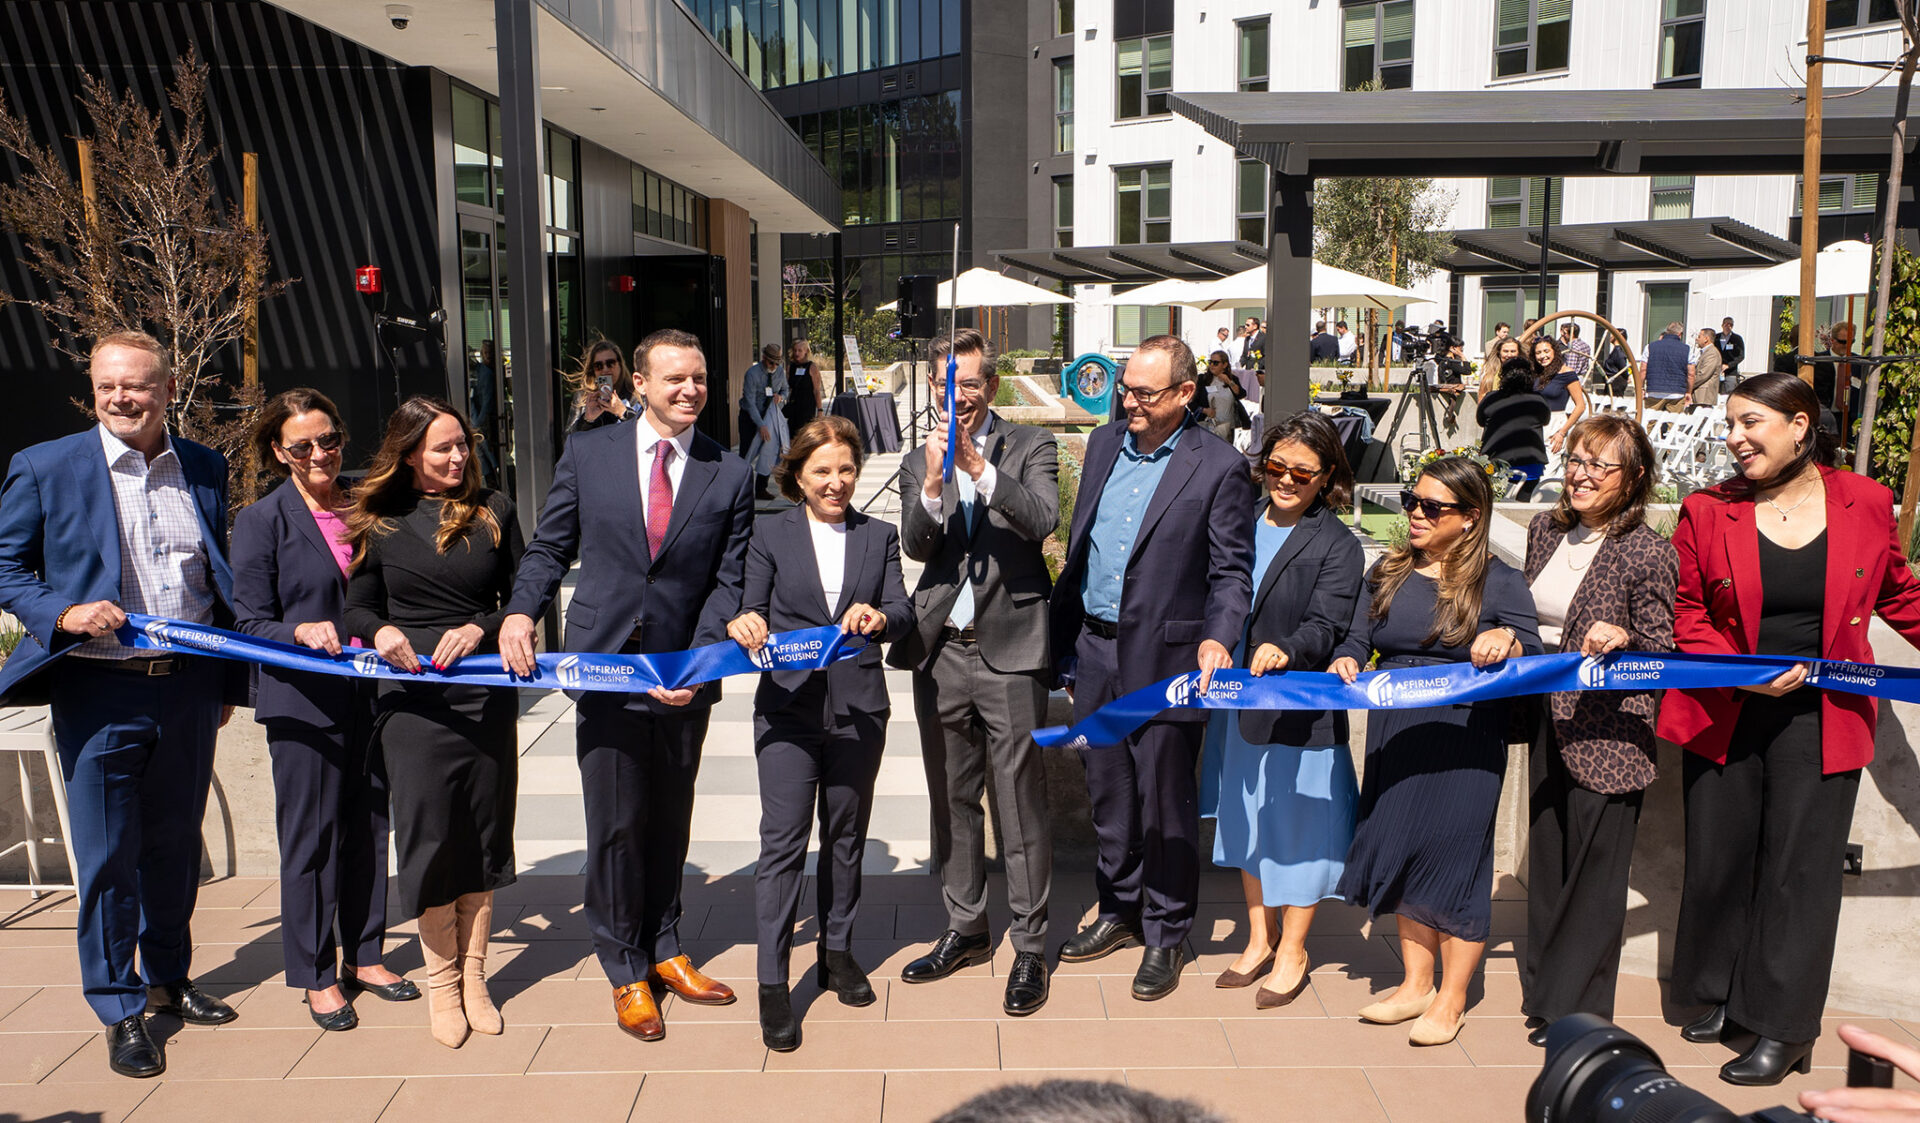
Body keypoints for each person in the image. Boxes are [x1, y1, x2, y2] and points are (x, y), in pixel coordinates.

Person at [1658, 373, 1920, 1086]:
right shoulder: (1707, 509)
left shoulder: (1867, 501)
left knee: (1799, 874)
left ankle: (1784, 1027)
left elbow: (1898, 592)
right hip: (1727, 707)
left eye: (1750, 423)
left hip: (1825, 714)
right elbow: (1686, 611)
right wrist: (1736, 672)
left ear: (1800, 426)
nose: (1733, 438)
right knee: (1720, 860)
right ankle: (1725, 993)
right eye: (1729, 425)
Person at [0, 331, 248, 1078]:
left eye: (135, 385)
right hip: (98, 688)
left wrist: (223, 681)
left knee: (174, 846)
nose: (119, 398)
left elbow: (212, 573)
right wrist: (63, 612)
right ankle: (118, 1006)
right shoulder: (45, 466)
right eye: (106, 385)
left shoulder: (203, 465)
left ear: (167, 389)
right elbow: (6, 567)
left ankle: (169, 977)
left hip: (188, 686)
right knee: (108, 857)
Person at [500, 328, 754, 1043]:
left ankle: (666, 946)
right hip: (606, 670)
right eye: (675, 378)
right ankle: (624, 968)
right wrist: (521, 611)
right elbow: (550, 545)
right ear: (638, 384)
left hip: (682, 674)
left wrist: (696, 664)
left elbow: (728, 578)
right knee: (615, 824)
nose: (690, 389)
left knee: (670, 817)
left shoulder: (729, 470)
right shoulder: (589, 453)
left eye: (699, 377)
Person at [1048, 334, 1256, 1001]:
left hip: (1169, 662)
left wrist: (1220, 638)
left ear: (1185, 393)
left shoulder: (1219, 467)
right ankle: (1119, 909)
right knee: (1107, 791)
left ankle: (1167, 931)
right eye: (1125, 389)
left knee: (1166, 798)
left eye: (1143, 392)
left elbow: (1231, 571)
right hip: (1094, 651)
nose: (1129, 401)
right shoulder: (1104, 443)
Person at [1328, 455, 1542, 1047]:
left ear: (1470, 517)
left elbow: (1533, 649)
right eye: (1411, 501)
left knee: (1456, 861)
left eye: (1431, 507)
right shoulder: (1389, 568)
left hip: (1464, 735)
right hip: (1397, 731)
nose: (1415, 514)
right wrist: (1347, 656)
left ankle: (1452, 999)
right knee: (1402, 849)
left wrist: (1507, 637)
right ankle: (1416, 984)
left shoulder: (1500, 580)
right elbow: (1358, 636)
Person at [232, 389, 417, 1033]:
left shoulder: (369, 504)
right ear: (278, 452)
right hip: (304, 702)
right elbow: (247, 619)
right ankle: (315, 972)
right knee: (311, 839)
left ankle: (366, 955)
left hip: (375, 695)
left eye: (329, 439)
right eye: (302, 445)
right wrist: (298, 632)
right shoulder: (263, 520)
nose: (320, 454)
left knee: (369, 826)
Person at [343, 395, 524, 1050]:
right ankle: (442, 983)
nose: (457, 456)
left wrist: (483, 626)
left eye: (462, 444)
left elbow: (523, 598)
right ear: (409, 453)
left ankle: (476, 978)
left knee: (482, 835)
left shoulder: (495, 509)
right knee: (429, 839)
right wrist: (380, 631)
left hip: (484, 697)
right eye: (442, 447)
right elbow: (356, 607)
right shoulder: (378, 519)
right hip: (412, 704)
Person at [889, 330, 1060, 1017]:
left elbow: (1041, 519)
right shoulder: (917, 457)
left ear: (989, 385)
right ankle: (965, 927)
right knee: (951, 798)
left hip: (1012, 648)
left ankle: (1030, 943)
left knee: (1018, 800)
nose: (956, 395)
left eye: (967, 383)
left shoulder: (1030, 445)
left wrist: (980, 469)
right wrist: (935, 482)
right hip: (941, 650)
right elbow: (916, 544)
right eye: (944, 384)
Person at [728, 415, 911, 1052]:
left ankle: (836, 952)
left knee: (845, 837)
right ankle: (772, 983)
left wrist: (880, 617)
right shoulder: (770, 534)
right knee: (782, 845)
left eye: (846, 469)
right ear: (798, 477)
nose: (836, 482)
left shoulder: (878, 535)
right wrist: (744, 622)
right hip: (788, 709)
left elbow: (903, 609)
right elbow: (748, 606)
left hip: (859, 710)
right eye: (822, 471)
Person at [1517, 415, 1676, 1048]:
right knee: (1550, 858)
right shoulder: (1544, 530)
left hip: (1610, 733)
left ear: (1632, 479)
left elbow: (1663, 649)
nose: (1580, 475)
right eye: (1575, 461)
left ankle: (1578, 1011)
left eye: (1598, 466)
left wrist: (1624, 636)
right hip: (1546, 717)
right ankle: (1545, 992)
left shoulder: (1648, 551)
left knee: (1595, 875)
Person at [1201, 412, 1363, 1010]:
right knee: (1245, 822)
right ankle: (1258, 938)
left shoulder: (1338, 544)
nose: (1286, 480)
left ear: (1327, 478)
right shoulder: (1239, 520)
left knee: (1299, 831)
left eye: (1303, 472)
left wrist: (1288, 649)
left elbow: (1328, 623)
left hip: (1297, 709)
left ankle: (1293, 949)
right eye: (1276, 466)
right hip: (1236, 704)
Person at [1477, 358, 1551, 499]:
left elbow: (1481, 421)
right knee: (1523, 504)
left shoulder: (1491, 398)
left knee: (1493, 503)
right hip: (1530, 464)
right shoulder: (1538, 400)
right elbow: (1545, 420)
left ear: (1503, 376)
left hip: (1495, 463)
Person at [741, 343, 790, 499]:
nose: (774, 366)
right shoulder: (752, 374)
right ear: (764, 358)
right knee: (747, 452)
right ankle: (741, 489)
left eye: (777, 363)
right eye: (771, 362)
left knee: (770, 449)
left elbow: (785, 390)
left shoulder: (780, 372)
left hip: (770, 414)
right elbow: (749, 402)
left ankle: (761, 488)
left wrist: (781, 397)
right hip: (750, 416)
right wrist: (761, 425)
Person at [1529, 334, 1589, 452]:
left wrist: (1562, 432)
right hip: (1534, 425)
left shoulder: (1567, 374)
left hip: (1554, 425)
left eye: (1546, 351)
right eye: (1538, 353)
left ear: (1554, 352)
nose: (1543, 356)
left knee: (1550, 462)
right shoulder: (1535, 374)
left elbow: (1580, 406)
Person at [568, 338, 639, 433]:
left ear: (620, 365)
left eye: (610, 363)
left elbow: (648, 434)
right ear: (593, 370)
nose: (605, 370)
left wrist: (623, 413)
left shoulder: (636, 394)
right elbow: (568, 437)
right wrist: (587, 420)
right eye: (598, 366)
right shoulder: (584, 397)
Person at [469, 339, 501, 486]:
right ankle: (491, 479)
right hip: (478, 422)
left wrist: (478, 422)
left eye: (490, 353)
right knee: (481, 452)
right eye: (485, 352)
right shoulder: (474, 373)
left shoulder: (486, 373)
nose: (487, 355)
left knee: (486, 451)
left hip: (486, 421)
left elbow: (487, 400)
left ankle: (496, 478)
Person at [1642, 322, 1691, 411]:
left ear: (1667, 331)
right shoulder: (1687, 349)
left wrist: (1641, 387)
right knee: (1673, 419)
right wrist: (1688, 392)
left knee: (1651, 418)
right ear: (1680, 334)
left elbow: (1643, 370)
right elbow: (1691, 374)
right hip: (1677, 393)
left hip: (1654, 391)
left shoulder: (1649, 347)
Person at [783, 337, 824, 435]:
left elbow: (816, 390)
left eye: (800, 350)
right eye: (795, 350)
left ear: (806, 351)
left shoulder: (812, 367)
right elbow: (788, 387)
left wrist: (820, 410)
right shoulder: (790, 367)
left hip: (807, 406)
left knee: (805, 433)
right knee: (792, 434)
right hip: (794, 405)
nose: (797, 353)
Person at [1477, 336, 1525, 401]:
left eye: (1513, 351)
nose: (1509, 355)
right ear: (1499, 353)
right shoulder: (1490, 376)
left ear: (1518, 353)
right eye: (1506, 351)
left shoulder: (1525, 374)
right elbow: (1482, 400)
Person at [1690, 326, 1724, 408]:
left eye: (1699, 337)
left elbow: (1703, 374)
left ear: (1706, 339)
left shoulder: (1712, 353)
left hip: (1704, 396)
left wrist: (1688, 385)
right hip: (1699, 395)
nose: (1697, 339)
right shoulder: (1705, 352)